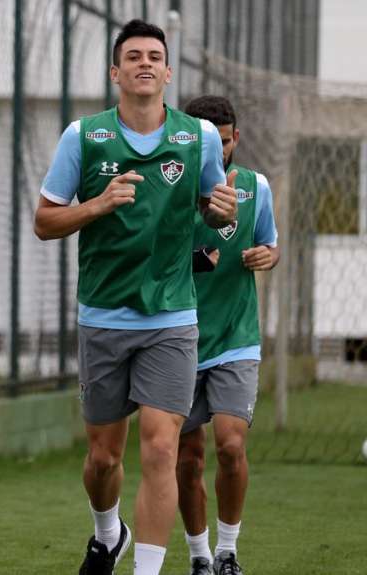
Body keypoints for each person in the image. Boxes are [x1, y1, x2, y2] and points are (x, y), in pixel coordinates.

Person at [33, 19, 238, 575]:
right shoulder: (83, 136)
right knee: (103, 459)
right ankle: (108, 531)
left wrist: (221, 211)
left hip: (172, 315)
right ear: (115, 71)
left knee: (161, 450)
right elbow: (45, 221)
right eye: (133, 56)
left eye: (154, 56)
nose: (144, 63)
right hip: (103, 315)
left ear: (168, 72)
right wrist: (96, 206)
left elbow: (218, 207)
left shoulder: (196, 136)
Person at [176, 95, 279, 575]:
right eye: (208, 146)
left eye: (224, 142)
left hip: (236, 336)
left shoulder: (255, 188)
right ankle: (198, 556)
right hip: (175, 335)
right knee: (188, 455)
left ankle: (227, 551)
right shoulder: (169, 187)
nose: (218, 153)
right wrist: (194, 260)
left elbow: (268, 244)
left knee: (231, 446)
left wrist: (266, 256)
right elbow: (145, 252)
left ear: (235, 138)